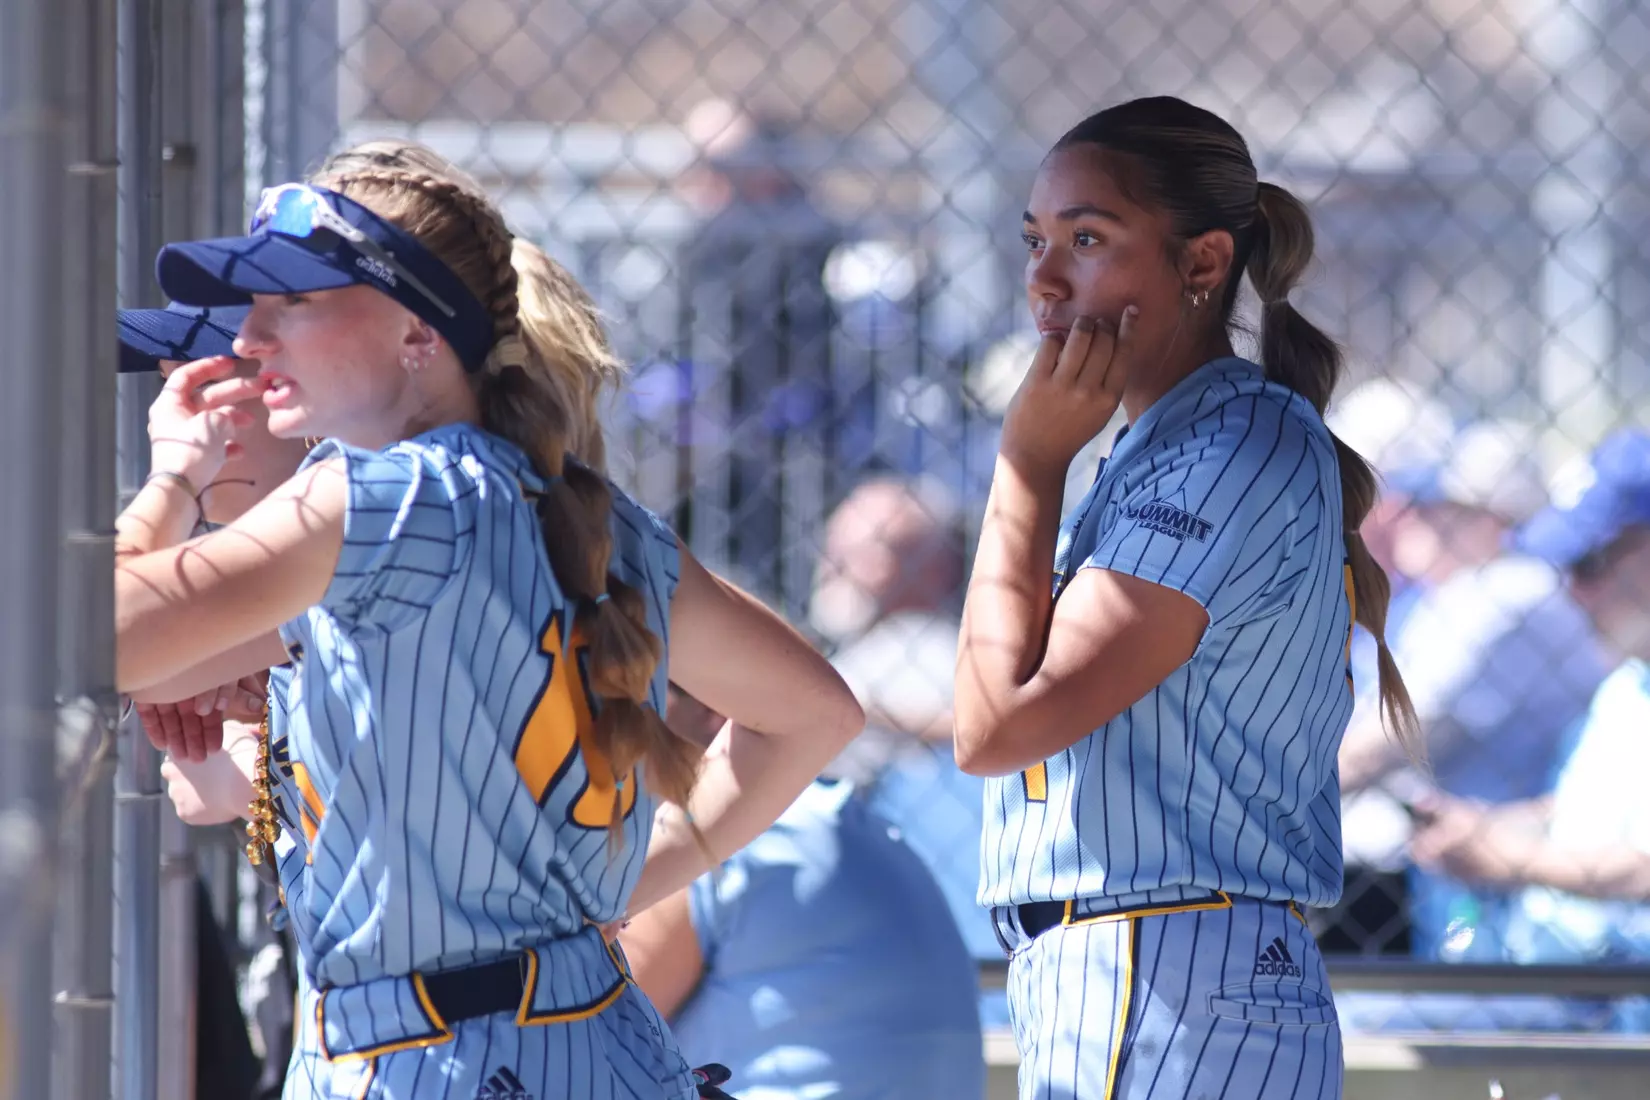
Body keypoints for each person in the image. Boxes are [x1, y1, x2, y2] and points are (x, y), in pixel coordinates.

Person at [113, 148, 863, 1099]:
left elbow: (104, 637)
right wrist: (596, 905)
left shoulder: (381, 498)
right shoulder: (589, 509)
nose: (252, 342)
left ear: (420, 334)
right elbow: (815, 715)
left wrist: (174, 474)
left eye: (294, 301)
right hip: (580, 1037)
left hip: (442, 1055)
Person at [954, 96, 1419, 1099]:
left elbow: (995, 725)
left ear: (1203, 264)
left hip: (1170, 969)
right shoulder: (1160, 447)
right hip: (1150, 969)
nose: (1042, 276)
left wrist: (1027, 465)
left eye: (1087, 238)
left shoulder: (1236, 444)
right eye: (1035, 238)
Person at [620, 688, 986, 1100]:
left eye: (631, 687)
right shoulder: (842, 821)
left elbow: (580, 1022)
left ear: (710, 705)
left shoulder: (712, 842)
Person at [1412, 430, 1650, 1010]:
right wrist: (1488, 827)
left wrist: (1513, 861)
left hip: (1615, 996)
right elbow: (1591, 811)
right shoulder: (1627, 681)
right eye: (1567, 568)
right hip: (1557, 976)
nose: (1574, 592)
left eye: (1591, 565)